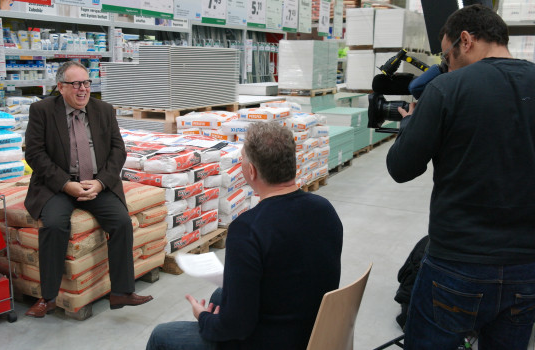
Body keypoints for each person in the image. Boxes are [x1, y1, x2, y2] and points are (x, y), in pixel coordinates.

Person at [387, 5, 535, 349]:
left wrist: (410, 124)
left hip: (457, 262)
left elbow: (401, 168)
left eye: (446, 55)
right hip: (527, 266)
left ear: (465, 40)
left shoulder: (446, 89)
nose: (445, 64)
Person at [146, 122, 343, 350]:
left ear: (252, 171)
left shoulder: (248, 229)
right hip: (314, 331)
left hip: (272, 342)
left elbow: (237, 327)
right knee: (220, 296)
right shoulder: (324, 209)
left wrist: (204, 318)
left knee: (162, 335)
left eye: (242, 160)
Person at [23, 61, 152, 318]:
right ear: (60, 87)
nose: (83, 89)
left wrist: (101, 182)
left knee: (121, 222)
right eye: (75, 84)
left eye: (86, 83)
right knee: (54, 225)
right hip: (57, 186)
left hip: (97, 183)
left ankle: (122, 292)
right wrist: (65, 185)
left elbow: (118, 150)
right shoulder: (42, 111)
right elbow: (35, 154)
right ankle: (47, 297)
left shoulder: (103, 110)